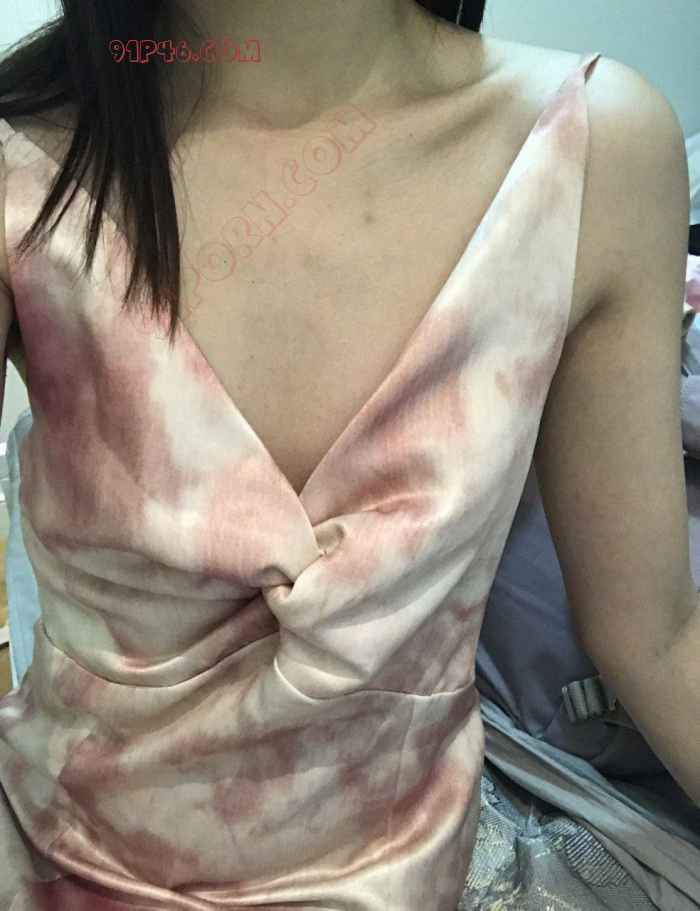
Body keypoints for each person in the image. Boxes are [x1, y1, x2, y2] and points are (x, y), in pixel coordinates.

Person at [0, 1, 697, 909]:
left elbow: (656, 637)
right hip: (68, 865)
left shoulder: (598, 153)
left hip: (408, 872)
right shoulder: (23, 169)